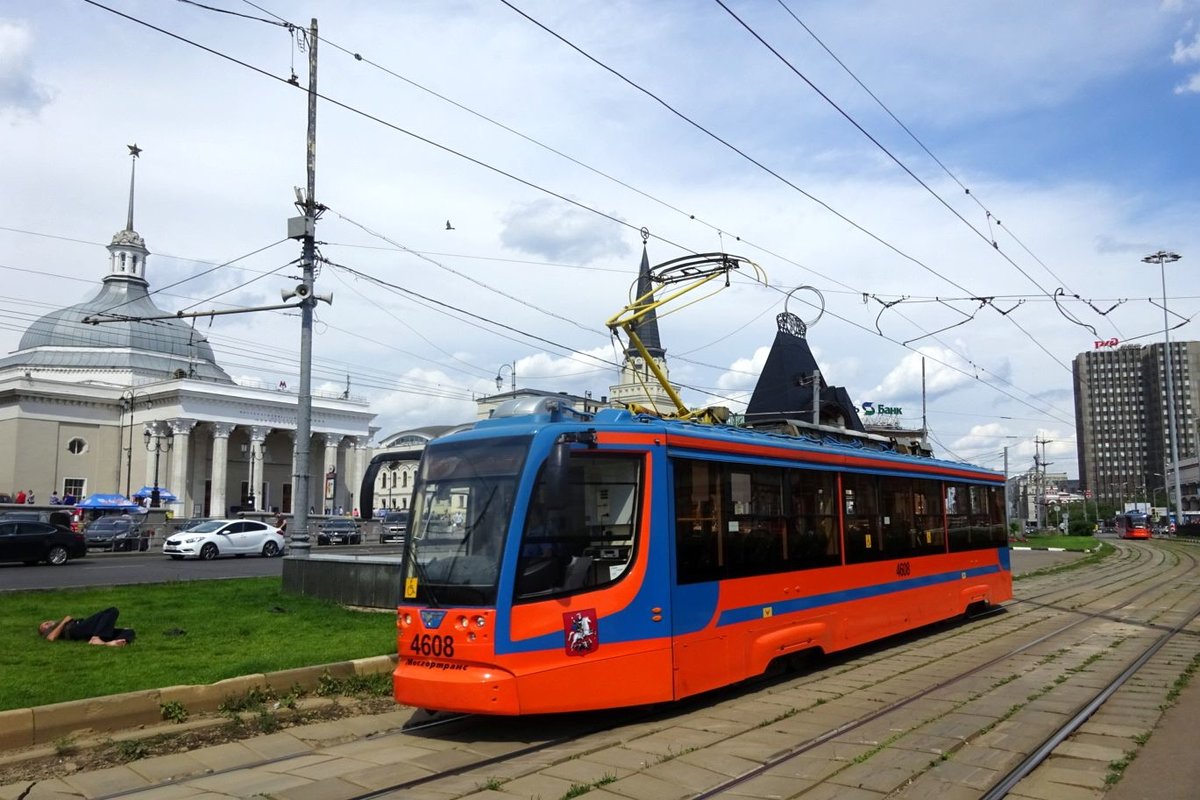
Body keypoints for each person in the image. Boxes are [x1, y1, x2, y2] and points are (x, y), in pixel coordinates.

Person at [38, 608, 135, 647]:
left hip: (86, 630)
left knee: (129, 631)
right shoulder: (52, 630)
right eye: (45, 625)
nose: (48, 622)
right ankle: (96, 638)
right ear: (45, 630)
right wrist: (64, 621)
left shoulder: (56, 625)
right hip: (76, 629)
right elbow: (51, 638)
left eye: (46, 622)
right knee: (112, 611)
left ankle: (110, 643)